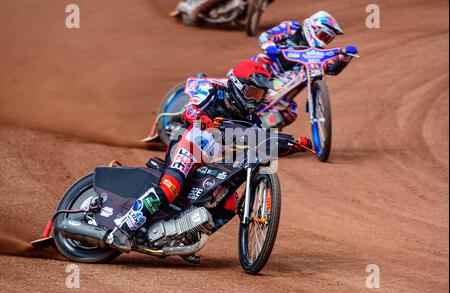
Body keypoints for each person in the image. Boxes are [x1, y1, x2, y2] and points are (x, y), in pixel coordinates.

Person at [106, 60, 310, 253]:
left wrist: (295, 143)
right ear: (238, 86)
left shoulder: (251, 118)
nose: (254, 100)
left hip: (208, 160)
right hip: (187, 146)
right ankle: (123, 230)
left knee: (228, 202)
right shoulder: (213, 90)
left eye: (259, 95)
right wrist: (201, 117)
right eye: (251, 93)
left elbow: (262, 140)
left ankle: (184, 238)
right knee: (171, 187)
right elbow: (188, 109)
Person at [253, 11, 358, 127]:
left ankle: (260, 136)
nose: (324, 41)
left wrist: (344, 57)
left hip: (281, 86)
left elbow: (332, 69)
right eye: (323, 35)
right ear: (312, 27)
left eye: (328, 39)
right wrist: (269, 46)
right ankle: (240, 87)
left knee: (290, 113)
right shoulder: (291, 27)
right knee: (263, 58)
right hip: (268, 69)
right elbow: (266, 36)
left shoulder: (317, 54)